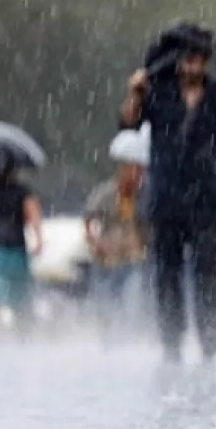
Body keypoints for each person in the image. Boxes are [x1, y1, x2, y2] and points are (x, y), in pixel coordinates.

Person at [120, 22, 216, 364]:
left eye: (202, 58)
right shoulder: (156, 91)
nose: (196, 65)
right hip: (165, 195)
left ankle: (210, 340)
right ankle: (171, 342)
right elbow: (127, 123)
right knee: (166, 270)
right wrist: (135, 93)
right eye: (190, 58)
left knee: (207, 270)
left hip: (206, 197)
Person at [84, 131, 149, 345]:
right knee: (106, 308)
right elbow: (88, 219)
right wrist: (95, 242)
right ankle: (109, 344)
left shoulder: (145, 196)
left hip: (133, 259)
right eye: (131, 170)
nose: (135, 175)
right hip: (106, 261)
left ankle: (127, 342)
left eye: (139, 171)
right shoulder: (106, 193)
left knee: (132, 306)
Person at [0, 162, 44, 339]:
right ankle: (23, 339)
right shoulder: (21, 190)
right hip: (16, 250)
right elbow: (33, 212)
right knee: (20, 301)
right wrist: (38, 238)